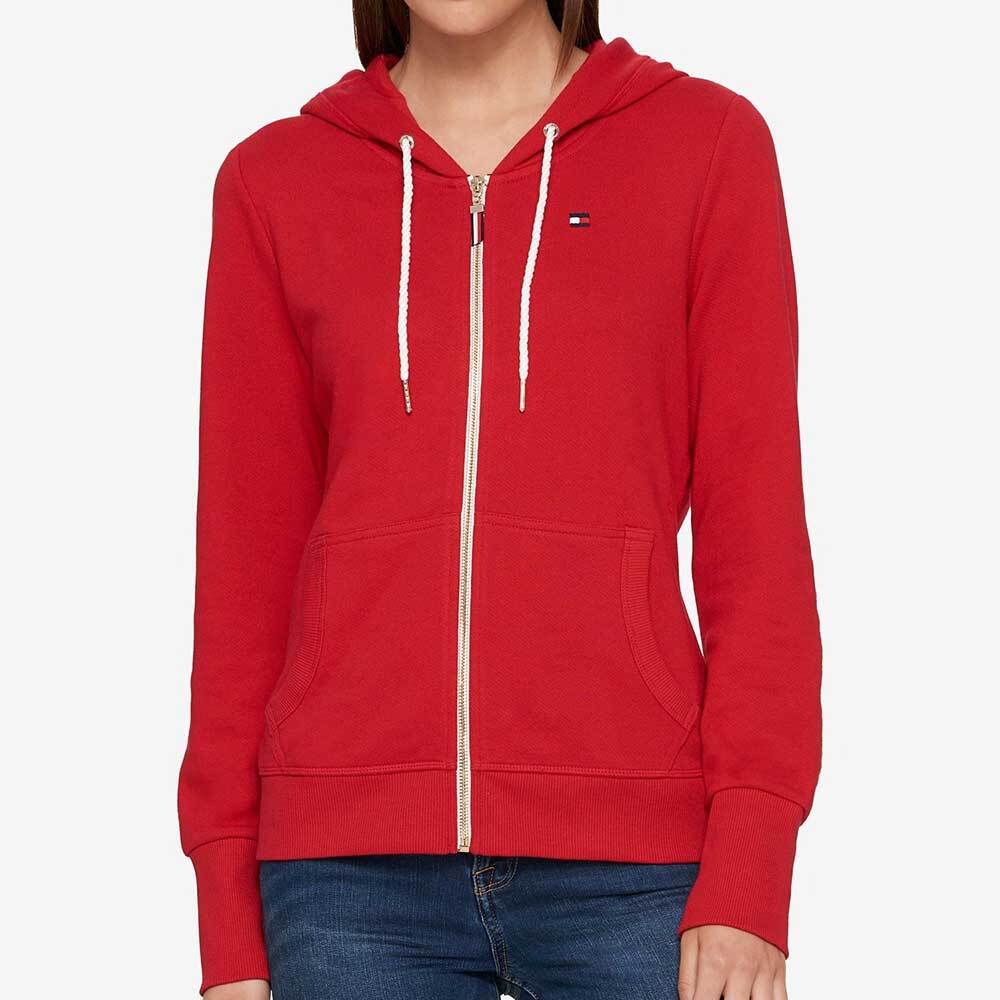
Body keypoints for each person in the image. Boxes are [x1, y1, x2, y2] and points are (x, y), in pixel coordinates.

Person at [178, 1, 822, 997]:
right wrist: (227, 916)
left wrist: (750, 864)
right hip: (345, 876)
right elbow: (242, 569)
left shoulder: (704, 147)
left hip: (638, 862)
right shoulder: (276, 180)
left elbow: (759, 547)